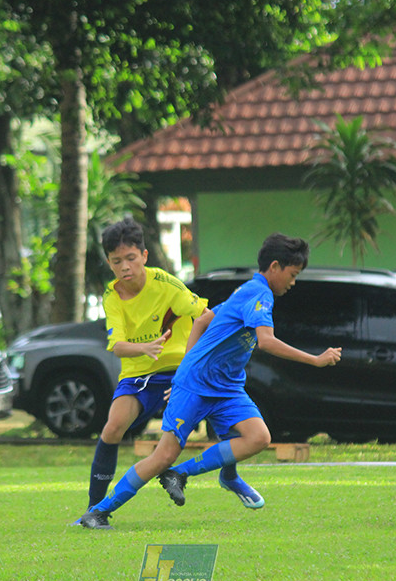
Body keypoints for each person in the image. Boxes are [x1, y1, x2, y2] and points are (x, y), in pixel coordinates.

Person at [79, 233, 341, 530]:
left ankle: (189, 474)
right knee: (163, 455)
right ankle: (98, 512)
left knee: (258, 437)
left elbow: (202, 320)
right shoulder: (259, 294)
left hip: (226, 386)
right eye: (292, 275)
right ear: (275, 266)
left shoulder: (248, 290)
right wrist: (316, 359)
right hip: (196, 384)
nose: (293, 283)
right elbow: (266, 342)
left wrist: (187, 362)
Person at [76, 217, 262, 521]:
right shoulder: (112, 296)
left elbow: (205, 316)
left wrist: (214, 355)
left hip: (180, 371)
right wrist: (146, 349)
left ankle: (229, 477)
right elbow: (118, 345)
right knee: (113, 427)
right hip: (138, 375)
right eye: (117, 261)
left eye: (131, 258)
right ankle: (93, 507)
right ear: (110, 264)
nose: (125, 267)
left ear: (144, 256)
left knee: (229, 424)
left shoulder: (165, 283)